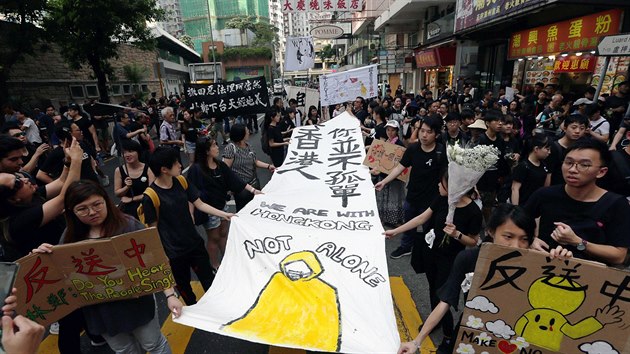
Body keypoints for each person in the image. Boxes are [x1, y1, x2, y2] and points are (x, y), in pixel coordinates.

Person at [397, 204, 573, 354]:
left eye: (524, 239)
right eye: (508, 237)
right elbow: (445, 300)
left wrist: (563, 265)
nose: (516, 246)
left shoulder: (539, 264)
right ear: (490, 231)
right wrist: (416, 341)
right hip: (472, 335)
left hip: (519, 339)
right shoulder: (469, 259)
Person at [32, 180, 182, 354]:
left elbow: (155, 261)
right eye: (82, 209)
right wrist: (43, 257)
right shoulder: (69, 238)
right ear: (71, 212)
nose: (92, 212)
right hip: (101, 312)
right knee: (124, 350)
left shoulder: (129, 225)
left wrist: (170, 294)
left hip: (137, 305)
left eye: (97, 204)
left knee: (153, 345)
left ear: (106, 200)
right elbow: (60, 274)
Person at [385, 169, 482, 352]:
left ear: (453, 186)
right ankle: (434, 322)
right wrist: (396, 231)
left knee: (443, 297)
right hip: (431, 254)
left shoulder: (473, 211)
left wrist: (457, 234)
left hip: (451, 261)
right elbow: (422, 218)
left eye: (442, 182)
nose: (438, 185)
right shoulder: (441, 199)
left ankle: (447, 336)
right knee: (432, 289)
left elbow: (474, 241)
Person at [143, 147, 234, 305]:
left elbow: (199, 204)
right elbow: (153, 231)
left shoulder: (181, 181)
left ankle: (217, 308)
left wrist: (224, 214)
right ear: (164, 169)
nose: (180, 165)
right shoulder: (150, 196)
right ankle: (194, 312)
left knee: (209, 281)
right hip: (174, 253)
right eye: (176, 162)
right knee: (185, 288)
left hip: (194, 243)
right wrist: (161, 256)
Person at [524, 138, 630, 266]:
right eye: (568, 162)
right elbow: (519, 225)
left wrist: (578, 242)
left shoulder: (616, 204)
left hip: (588, 278)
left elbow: (619, 256)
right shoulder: (545, 195)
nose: (573, 169)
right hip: (542, 269)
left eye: (584, 165)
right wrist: (530, 240)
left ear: (601, 172)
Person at [375, 116, 447, 259]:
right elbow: (400, 168)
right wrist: (385, 182)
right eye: (422, 131)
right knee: (409, 223)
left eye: (429, 132)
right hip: (413, 195)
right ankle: (406, 247)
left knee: (429, 227)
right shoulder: (413, 149)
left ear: (437, 135)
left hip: (432, 199)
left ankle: (427, 251)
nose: (424, 135)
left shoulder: (441, 152)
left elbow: (446, 176)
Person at [0, 138, 82, 260]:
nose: (25, 179)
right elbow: (64, 197)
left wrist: (68, 161)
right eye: (18, 182)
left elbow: (61, 183)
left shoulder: (29, 196)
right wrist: (77, 160)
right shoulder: (19, 220)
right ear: (12, 199)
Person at [188, 138, 261, 268]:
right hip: (209, 209)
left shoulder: (220, 165)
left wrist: (253, 190)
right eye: (214, 145)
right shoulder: (196, 169)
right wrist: (191, 212)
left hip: (222, 205)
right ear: (206, 151)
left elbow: (235, 179)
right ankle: (215, 265)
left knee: (224, 233)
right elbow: (192, 194)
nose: (217, 147)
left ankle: (227, 259)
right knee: (214, 237)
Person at [223, 124, 275, 211]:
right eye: (246, 131)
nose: (248, 132)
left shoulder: (248, 146)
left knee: (257, 208)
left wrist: (269, 166)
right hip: (241, 188)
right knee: (244, 211)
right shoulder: (231, 148)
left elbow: (255, 161)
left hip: (254, 183)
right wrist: (230, 186)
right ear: (241, 134)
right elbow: (225, 169)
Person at [373, 120, 405, 227]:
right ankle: (383, 218)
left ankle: (394, 220)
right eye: (388, 130)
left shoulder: (399, 144)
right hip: (383, 175)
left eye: (392, 130)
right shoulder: (386, 142)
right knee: (384, 197)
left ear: (397, 131)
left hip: (395, 177)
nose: (390, 132)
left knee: (394, 198)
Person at [114, 140, 155, 219]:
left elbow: (152, 192)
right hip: (128, 210)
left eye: (130, 151)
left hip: (146, 206)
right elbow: (117, 193)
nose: (127, 155)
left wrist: (132, 199)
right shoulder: (119, 171)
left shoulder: (148, 169)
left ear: (138, 152)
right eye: (124, 152)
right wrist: (126, 187)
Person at [547, 114, 588, 185]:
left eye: (582, 128)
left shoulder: (583, 148)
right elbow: (548, 174)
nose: (577, 131)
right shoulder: (553, 147)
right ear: (565, 128)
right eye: (574, 127)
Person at [511, 132, 551, 205]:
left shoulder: (544, 165)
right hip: (524, 205)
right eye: (547, 149)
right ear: (536, 149)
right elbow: (515, 189)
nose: (549, 152)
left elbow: (545, 187)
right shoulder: (523, 166)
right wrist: (515, 210)